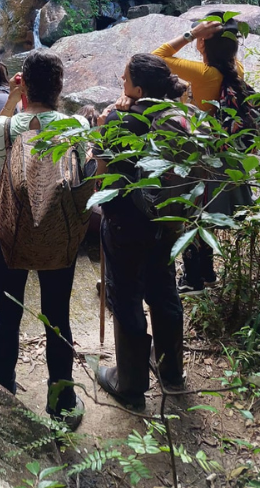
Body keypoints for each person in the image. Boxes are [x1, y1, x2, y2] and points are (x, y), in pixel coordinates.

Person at [0, 48, 90, 429]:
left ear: (24, 83)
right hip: (58, 232)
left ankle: (1, 394)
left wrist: (13, 99)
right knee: (57, 316)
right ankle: (62, 404)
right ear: (60, 87)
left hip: (11, 230)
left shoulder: (7, 128)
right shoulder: (75, 126)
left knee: (7, 315)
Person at [108, 18, 248, 294]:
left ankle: (193, 279)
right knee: (201, 212)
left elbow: (153, 59)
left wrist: (190, 33)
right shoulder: (235, 69)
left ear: (203, 42)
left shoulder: (207, 74)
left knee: (191, 213)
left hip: (196, 152)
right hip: (218, 151)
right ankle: (206, 274)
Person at [97, 53, 189, 412]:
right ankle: (172, 373)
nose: (121, 86)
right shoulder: (178, 114)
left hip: (126, 223)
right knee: (164, 290)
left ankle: (130, 383)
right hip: (167, 223)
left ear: (137, 88)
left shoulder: (122, 119)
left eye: (124, 81)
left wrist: (104, 124)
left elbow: (101, 176)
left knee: (126, 295)